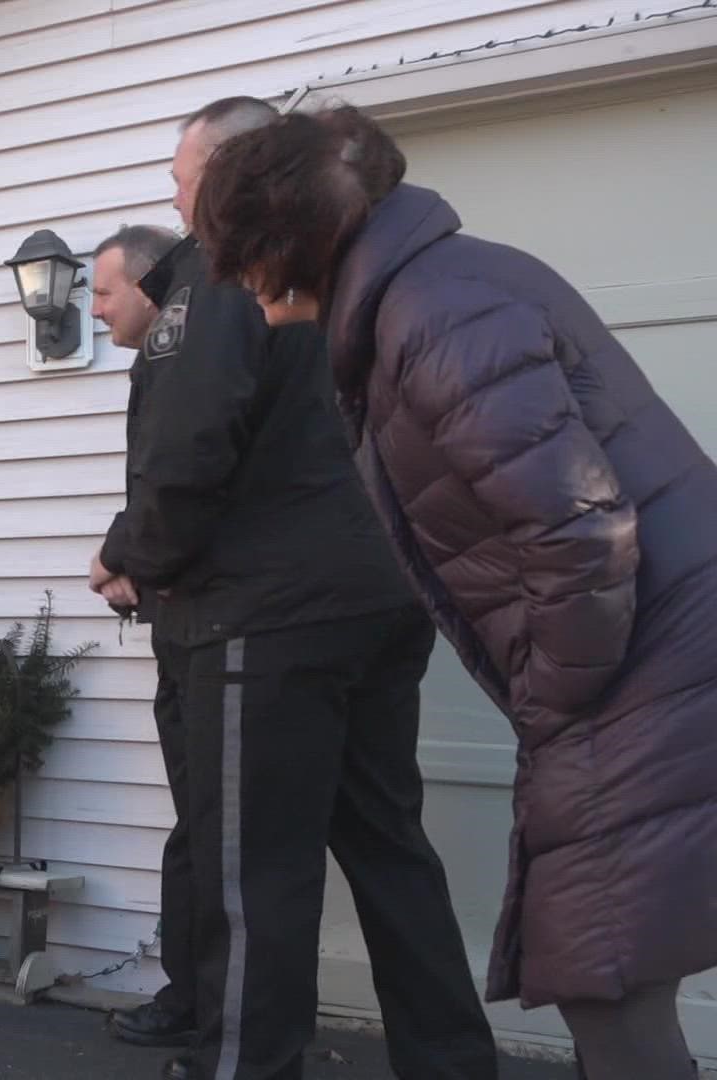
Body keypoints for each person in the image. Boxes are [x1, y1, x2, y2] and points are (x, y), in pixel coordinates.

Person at [193, 103, 717, 1080]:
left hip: (647, 675)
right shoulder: (433, 290)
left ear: (283, 238)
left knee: (608, 991)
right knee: (611, 984)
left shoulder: (434, 313)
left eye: (235, 253)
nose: (235, 284)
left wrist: (553, 692)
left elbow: (579, 530)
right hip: (656, 667)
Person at [98, 97, 496, 1080]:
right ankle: (452, 1064)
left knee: (252, 874)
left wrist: (139, 559)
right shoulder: (351, 265)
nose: (176, 192)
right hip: (381, 596)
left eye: (184, 174)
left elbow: (190, 451)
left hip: (261, 619)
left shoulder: (227, 269)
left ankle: (246, 1066)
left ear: (235, 173)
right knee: (389, 848)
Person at [89, 223, 203, 1051]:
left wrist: (125, 557)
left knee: (211, 825)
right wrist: (134, 558)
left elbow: (188, 463)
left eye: (102, 291)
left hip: (219, 626)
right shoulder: (164, 353)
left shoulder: (190, 341)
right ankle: (197, 996)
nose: (94, 308)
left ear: (148, 285)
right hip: (183, 604)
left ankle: (205, 1008)